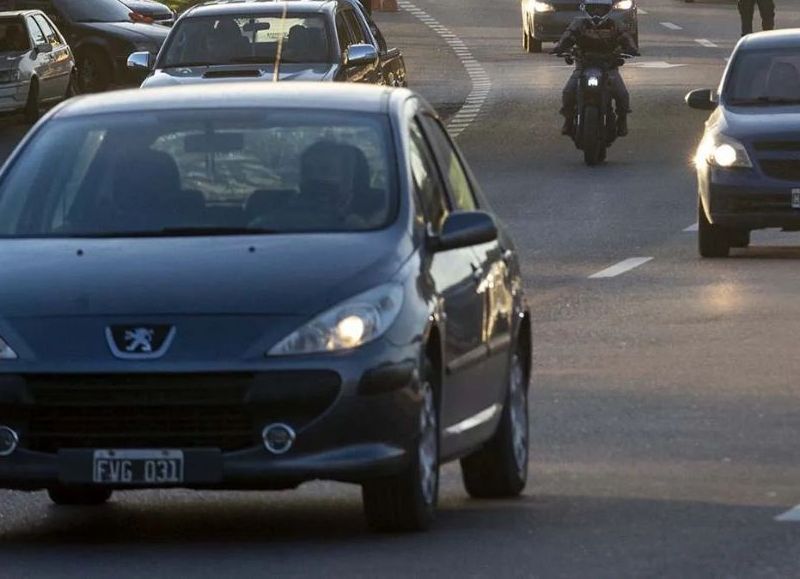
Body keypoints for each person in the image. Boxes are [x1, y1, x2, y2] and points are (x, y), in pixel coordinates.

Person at [550, 0, 639, 137]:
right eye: (593, 8)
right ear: (586, 9)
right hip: (583, 66)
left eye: (601, 9)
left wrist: (631, 50)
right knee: (568, 91)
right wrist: (560, 48)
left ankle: (622, 120)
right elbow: (568, 37)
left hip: (608, 67)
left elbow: (627, 39)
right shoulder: (578, 24)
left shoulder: (615, 24)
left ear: (608, 10)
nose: (597, 13)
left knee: (622, 94)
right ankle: (568, 120)